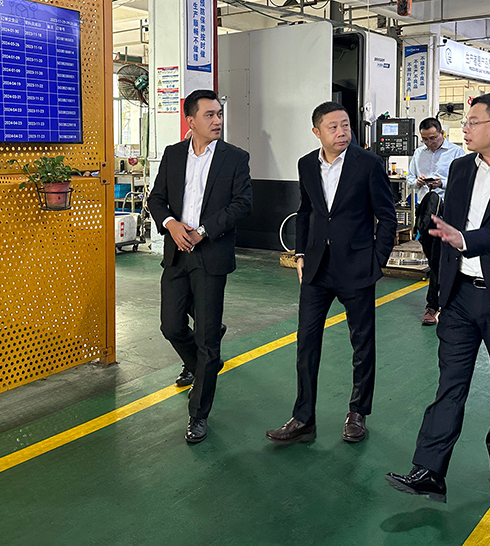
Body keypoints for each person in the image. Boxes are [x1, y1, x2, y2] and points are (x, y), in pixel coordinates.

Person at [385, 94, 490, 503]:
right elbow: (449, 229)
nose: (464, 128)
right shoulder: (461, 168)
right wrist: (440, 291)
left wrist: (468, 240)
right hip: (460, 295)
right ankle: (429, 469)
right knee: (450, 383)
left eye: (473, 121)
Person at [265, 102, 396, 445]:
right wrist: (301, 253)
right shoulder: (307, 164)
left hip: (357, 267)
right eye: (333, 127)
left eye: (345, 125)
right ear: (317, 132)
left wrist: (376, 261)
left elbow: (387, 217)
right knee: (306, 342)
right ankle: (303, 418)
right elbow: (306, 211)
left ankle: (357, 412)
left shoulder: (368, 164)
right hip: (317, 268)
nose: (341, 132)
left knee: (362, 343)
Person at [147, 89, 252, 444]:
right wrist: (171, 225)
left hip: (210, 254)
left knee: (207, 340)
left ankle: (199, 414)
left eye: (219, 114)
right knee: (171, 325)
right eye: (209, 115)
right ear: (190, 120)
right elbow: (157, 199)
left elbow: (242, 204)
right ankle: (200, 368)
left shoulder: (235, 158)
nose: (217, 120)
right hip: (177, 252)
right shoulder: (173, 154)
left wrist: (203, 231)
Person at [406, 117, 465, 325]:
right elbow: (410, 179)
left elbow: (463, 182)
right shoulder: (418, 153)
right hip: (426, 212)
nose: (429, 143)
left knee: (440, 257)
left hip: (447, 213)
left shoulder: (456, 153)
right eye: (425, 139)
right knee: (433, 258)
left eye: (433, 138)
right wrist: (417, 181)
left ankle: (433, 305)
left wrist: (443, 183)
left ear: (441, 133)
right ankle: (444, 298)